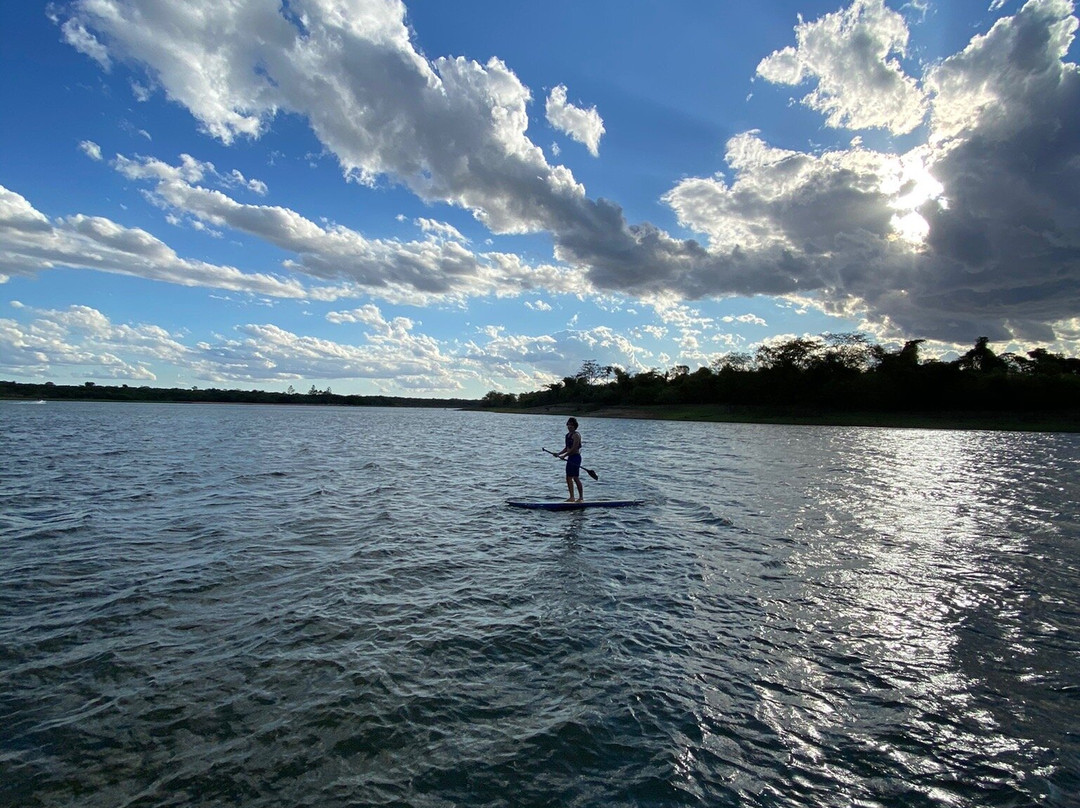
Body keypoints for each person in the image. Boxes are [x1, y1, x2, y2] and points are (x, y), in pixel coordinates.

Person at [555, 417, 583, 502]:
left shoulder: (576, 435)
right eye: (568, 425)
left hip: (576, 458)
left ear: (575, 426)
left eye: (571, 425)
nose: (570, 426)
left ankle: (581, 498)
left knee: (575, 477)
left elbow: (574, 448)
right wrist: (558, 454)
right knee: (568, 477)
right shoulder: (567, 436)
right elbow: (567, 448)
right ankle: (572, 497)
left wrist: (564, 455)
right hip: (570, 457)